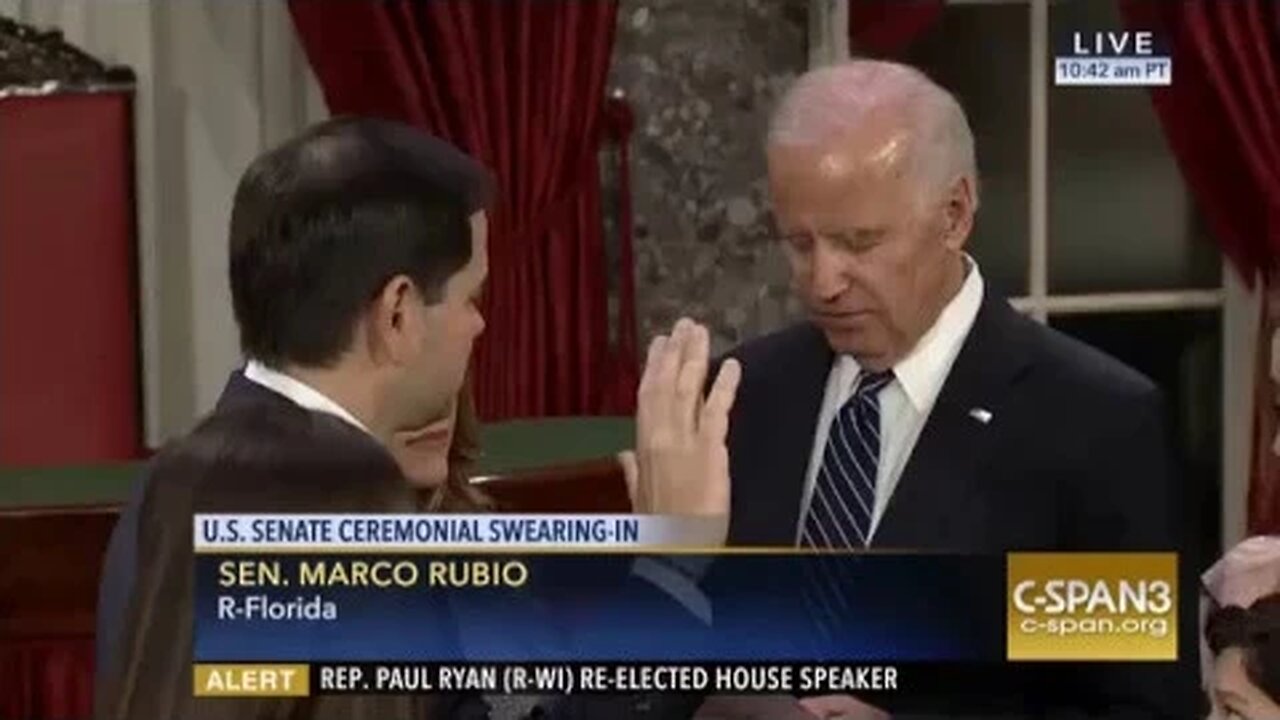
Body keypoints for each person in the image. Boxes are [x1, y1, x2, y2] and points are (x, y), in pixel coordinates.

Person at [94, 116, 741, 719]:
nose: (480, 325)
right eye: (471, 297)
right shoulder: (346, 510)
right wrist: (671, 571)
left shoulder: (169, 487)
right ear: (399, 312)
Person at [716, 59, 1196, 716]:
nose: (823, 281)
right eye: (801, 244)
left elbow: (1140, 710)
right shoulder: (742, 395)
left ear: (955, 213)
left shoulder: (1096, 425)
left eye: (860, 242)